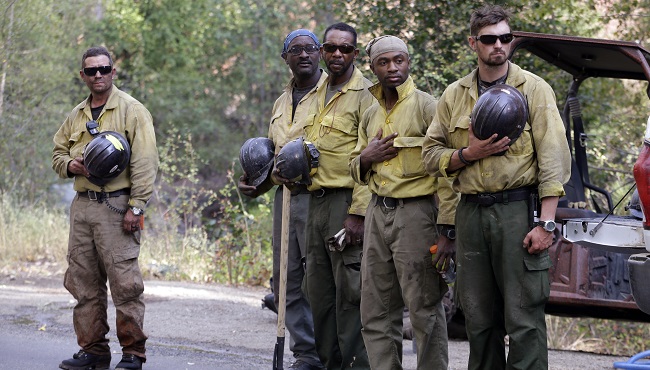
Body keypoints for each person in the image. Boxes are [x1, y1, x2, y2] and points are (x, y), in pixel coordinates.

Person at [421, 5, 571, 370]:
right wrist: (467, 153)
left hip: (517, 212)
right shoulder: (455, 95)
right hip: (470, 213)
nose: (498, 46)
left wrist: (546, 223)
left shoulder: (533, 89)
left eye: (506, 38)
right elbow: (430, 154)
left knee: (523, 316)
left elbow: (553, 159)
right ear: (474, 42)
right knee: (478, 318)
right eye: (489, 39)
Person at [349, 35, 454, 370]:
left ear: (408, 62)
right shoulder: (369, 112)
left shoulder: (428, 106)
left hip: (417, 213)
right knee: (375, 308)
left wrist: (447, 227)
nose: (392, 68)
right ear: (373, 67)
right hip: (378, 212)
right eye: (384, 62)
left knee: (423, 307)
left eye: (399, 60)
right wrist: (366, 158)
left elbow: (448, 169)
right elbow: (355, 166)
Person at [52, 46, 159, 370]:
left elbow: (145, 162)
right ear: (83, 76)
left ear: (113, 72)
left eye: (103, 69)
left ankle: (132, 353)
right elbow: (57, 154)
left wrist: (137, 207)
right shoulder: (76, 115)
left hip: (117, 206)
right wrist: (72, 165)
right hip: (83, 208)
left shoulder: (132, 110)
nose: (97, 75)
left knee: (125, 284)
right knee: (82, 283)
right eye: (91, 70)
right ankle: (93, 350)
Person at [238, 29, 326, 370]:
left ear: (319, 53)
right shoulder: (280, 101)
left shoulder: (332, 94)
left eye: (309, 49)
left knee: (317, 279)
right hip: (285, 197)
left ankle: (327, 350)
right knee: (285, 279)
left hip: (319, 196)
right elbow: (276, 154)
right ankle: (305, 353)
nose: (303, 55)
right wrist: (258, 182)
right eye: (295, 50)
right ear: (285, 57)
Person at [300, 22, 374, 370]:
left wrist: (357, 213)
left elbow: (368, 160)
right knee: (318, 293)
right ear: (321, 52)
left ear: (355, 53)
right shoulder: (316, 93)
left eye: (345, 49)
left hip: (345, 204)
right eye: (331, 48)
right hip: (314, 201)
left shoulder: (367, 95)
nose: (337, 55)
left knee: (351, 293)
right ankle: (330, 363)